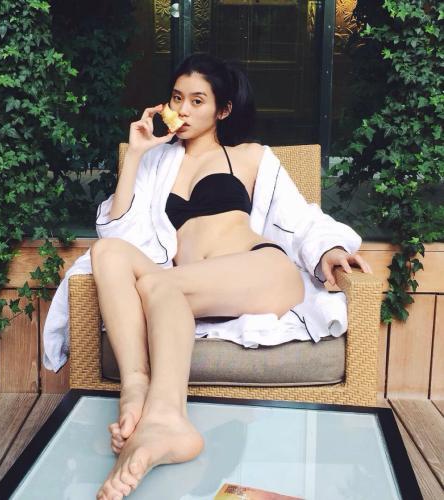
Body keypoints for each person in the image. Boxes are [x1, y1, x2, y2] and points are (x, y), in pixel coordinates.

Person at [88, 53, 372, 499]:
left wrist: (330, 250)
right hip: (188, 286)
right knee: (106, 253)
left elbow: (300, 218)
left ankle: (167, 422)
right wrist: (137, 154)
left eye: (197, 101)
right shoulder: (157, 161)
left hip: (260, 269)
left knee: (158, 284)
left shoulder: (250, 156)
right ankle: (136, 388)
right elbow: (120, 233)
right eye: (176, 98)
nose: (182, 110)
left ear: (222, 110)